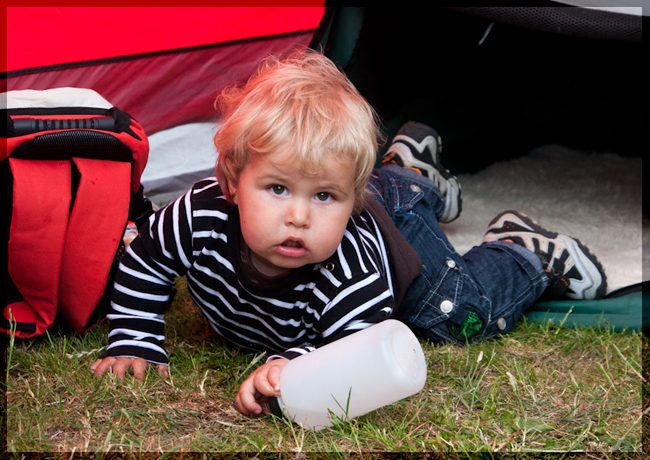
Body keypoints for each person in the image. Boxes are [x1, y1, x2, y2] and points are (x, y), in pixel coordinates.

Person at [90, 49, 607, 417]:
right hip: (376, 191)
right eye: (275, 189)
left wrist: (286, 375)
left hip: (394, 229)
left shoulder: (352, 273)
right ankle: (411, 171)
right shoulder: (198, 215)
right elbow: (146, 258)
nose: (299, 217)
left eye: (323, 197)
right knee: (394, 190)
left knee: (458, 314)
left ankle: (520, 249)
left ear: (348, 198)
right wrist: (135, 338)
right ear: (230, 182)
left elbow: (348, 359)